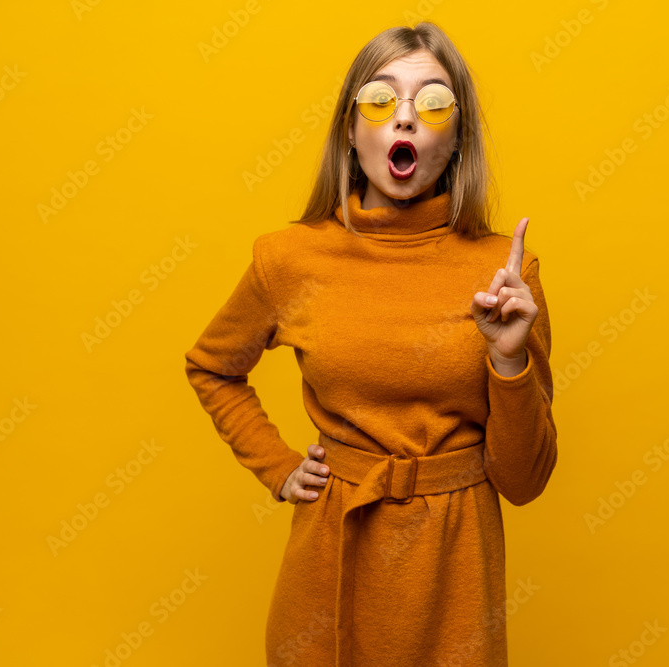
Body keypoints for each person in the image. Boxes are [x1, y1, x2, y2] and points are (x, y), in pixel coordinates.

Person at [185, 21, 557, 667]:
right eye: (381, 100)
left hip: (456, 563)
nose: (405, 119)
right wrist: (277, 467)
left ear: (457, 139)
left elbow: (524, 482)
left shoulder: (506, 275)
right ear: (351, 132)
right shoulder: (291, 259)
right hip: (333, 548)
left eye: (434, 103)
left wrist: (507, 357)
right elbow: (212, 367)